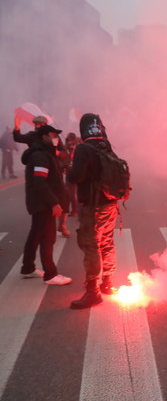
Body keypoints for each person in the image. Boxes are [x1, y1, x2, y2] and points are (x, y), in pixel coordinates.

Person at [68, 113, 119, 309]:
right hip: (110, 205)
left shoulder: (84, 148)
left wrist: (72, 167)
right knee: (107, 242)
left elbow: (75, 177)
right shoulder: (106, 145)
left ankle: (92, 291)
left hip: (93, 206)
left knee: (91, 245)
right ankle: (107, 282)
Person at [20, 124, 72, 285]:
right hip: (43, 204)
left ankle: (28, 268)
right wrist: (54, 203)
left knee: (35, 235)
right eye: (53, 135)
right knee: (47, 238)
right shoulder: (41, 156)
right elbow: (40, 183)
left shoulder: (46, 153)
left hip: (41, 203)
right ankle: (51, 274)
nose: (56, 138)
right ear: (44, 137)